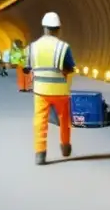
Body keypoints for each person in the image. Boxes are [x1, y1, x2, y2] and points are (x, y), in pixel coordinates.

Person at [23, 12, 76, 165]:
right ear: (58, 29)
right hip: (60, 90)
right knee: (64, 120)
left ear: (44, 28)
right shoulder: (63, 47)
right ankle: (65, 147)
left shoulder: (33, 47)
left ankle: (40, 154)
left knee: (40, 121)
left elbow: (28, 67)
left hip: (40, 91)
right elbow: (70, 67)